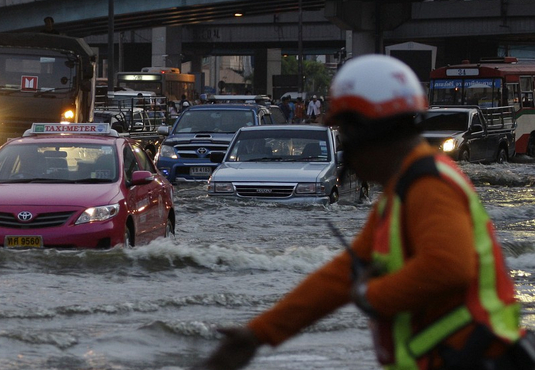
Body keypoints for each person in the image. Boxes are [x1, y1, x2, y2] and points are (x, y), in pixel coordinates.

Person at [197, 54, 534, 370]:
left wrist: (369, 295)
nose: (345, 148)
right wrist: (259, 334)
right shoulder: (401, 191)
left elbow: (448, 267)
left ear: (366, 131)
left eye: (344, 133)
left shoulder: (428, 184)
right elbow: (341, 275)